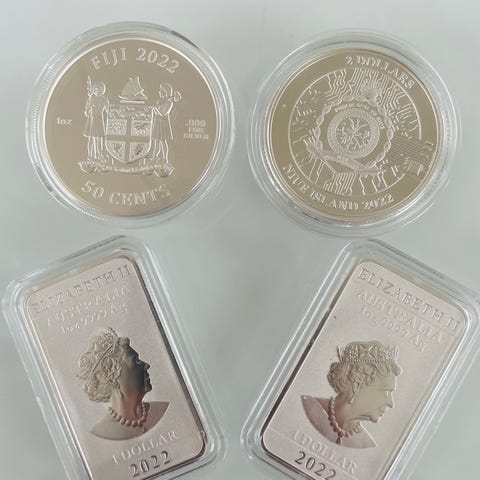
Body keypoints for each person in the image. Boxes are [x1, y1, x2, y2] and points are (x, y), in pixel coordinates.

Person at [302, 340, 401, 449]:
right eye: (386, 391)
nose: (390, 403)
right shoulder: (308, 406)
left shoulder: (367, 444)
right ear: (357, 385)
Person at [78, 328, 169, 440]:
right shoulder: (100, 432)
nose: (146, 365)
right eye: (135, 360)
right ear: (112, 376)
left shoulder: (162, 409)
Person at [151, 83, 182, 177]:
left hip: (163, 124)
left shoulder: (169, 103)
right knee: (156, 141)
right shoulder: (160, 101)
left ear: (166, 92)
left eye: (161, 91)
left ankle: (165, 159)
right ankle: (154, 157)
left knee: (163, 141)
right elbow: (157, 113)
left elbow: (163, 114)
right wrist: (154, 109)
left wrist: (155, 109)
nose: (159, 92)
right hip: (157, 122)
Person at [83, 80, 109, 161]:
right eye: (95, 89)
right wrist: (89, 106)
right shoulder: (91, 99)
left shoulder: (104, 99)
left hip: (99, 120)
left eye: (98, 89)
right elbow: (86, 113)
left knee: (99, 139)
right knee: (91, 139)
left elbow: (108, 111)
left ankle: (99, 155)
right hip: (92, 120)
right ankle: (90, 156)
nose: (96, 91)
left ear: (101, 90)